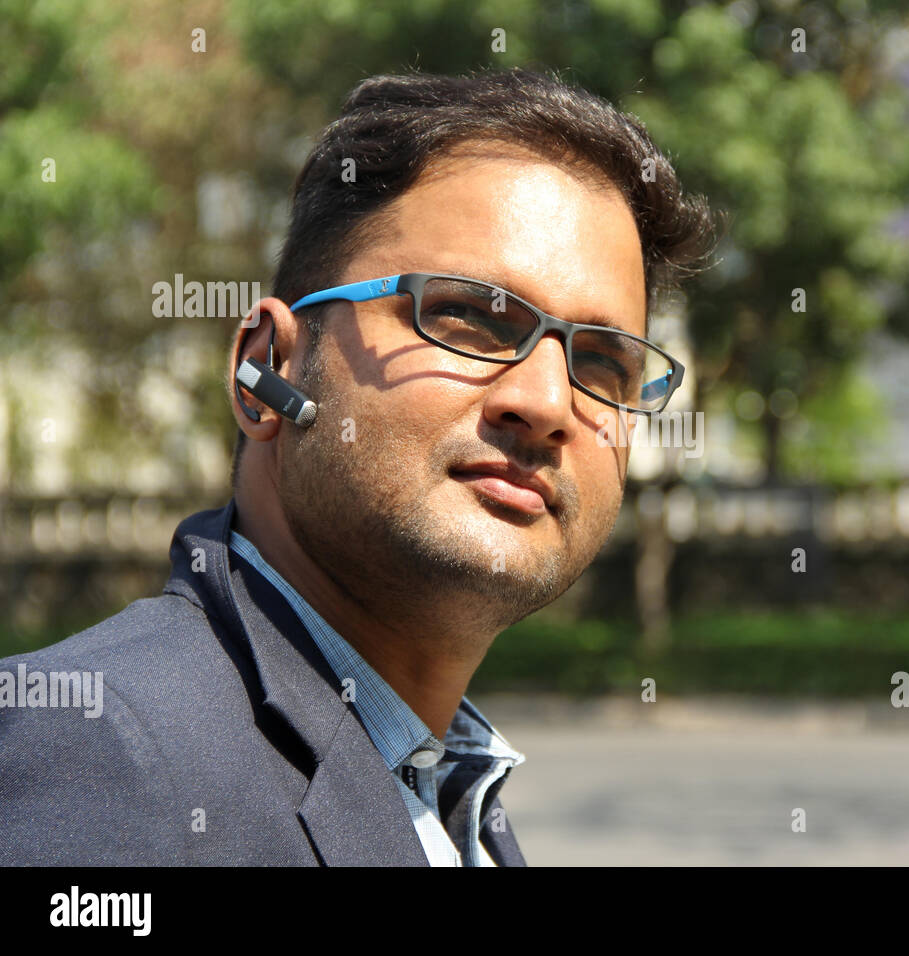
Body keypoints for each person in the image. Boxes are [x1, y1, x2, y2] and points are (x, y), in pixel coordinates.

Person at [0, 68, 714, 866]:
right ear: (267, 371)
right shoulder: (101, 750)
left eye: (605, 361)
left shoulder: (452, 794)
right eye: (470, 317)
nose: (547, 402)